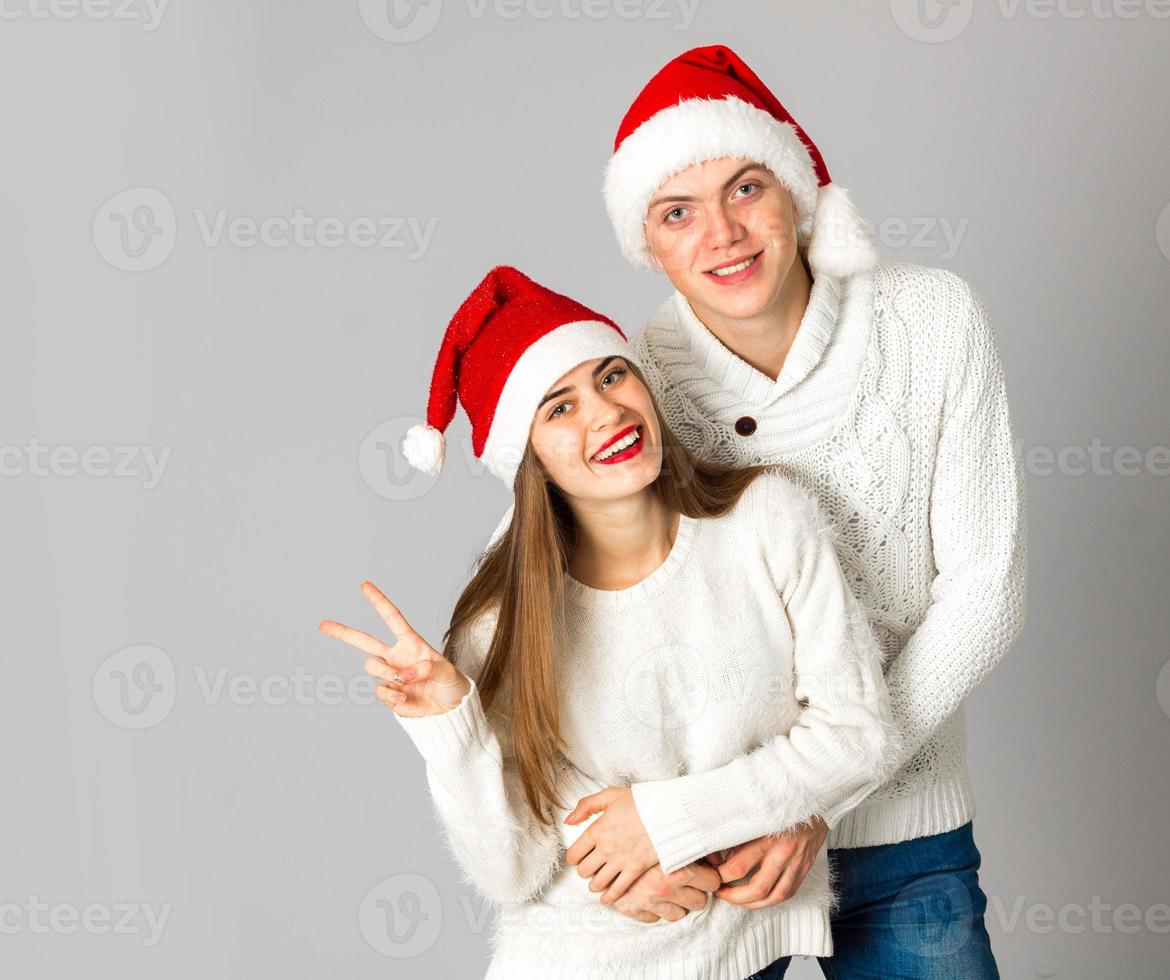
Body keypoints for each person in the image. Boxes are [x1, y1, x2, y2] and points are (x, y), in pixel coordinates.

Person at [319, 264, 898, 978]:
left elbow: (857, 735)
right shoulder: (498, 626)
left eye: (613, 376)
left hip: (743, 952)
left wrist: (670, 826)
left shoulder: (767, 519)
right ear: (527, 459)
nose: (605, 411)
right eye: (558, 408)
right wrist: (451, 728)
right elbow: (510, 871)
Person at [594, 45, 1031, 978]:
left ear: (798, 195)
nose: (722, 234)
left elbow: (986, 590)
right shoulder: (633, 390)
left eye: (746, 188)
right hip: (708, 850)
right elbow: (601, 625)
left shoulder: (931, 322)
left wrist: (815, 802)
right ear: (649, 241)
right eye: (679, 212)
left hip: (902, 839)